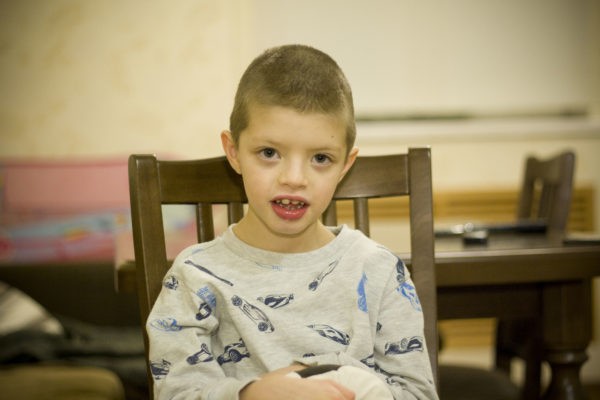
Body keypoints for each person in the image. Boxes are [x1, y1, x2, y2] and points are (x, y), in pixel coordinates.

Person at [147, 44, 438, 400]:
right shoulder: (194, 277)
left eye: (321, 158)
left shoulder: (378, 271)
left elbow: (418, 394)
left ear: (345, 166)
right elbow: (176, 393)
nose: (294, 179)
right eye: (269, 153)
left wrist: (338, 377)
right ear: (234, 152)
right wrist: (251, 394)